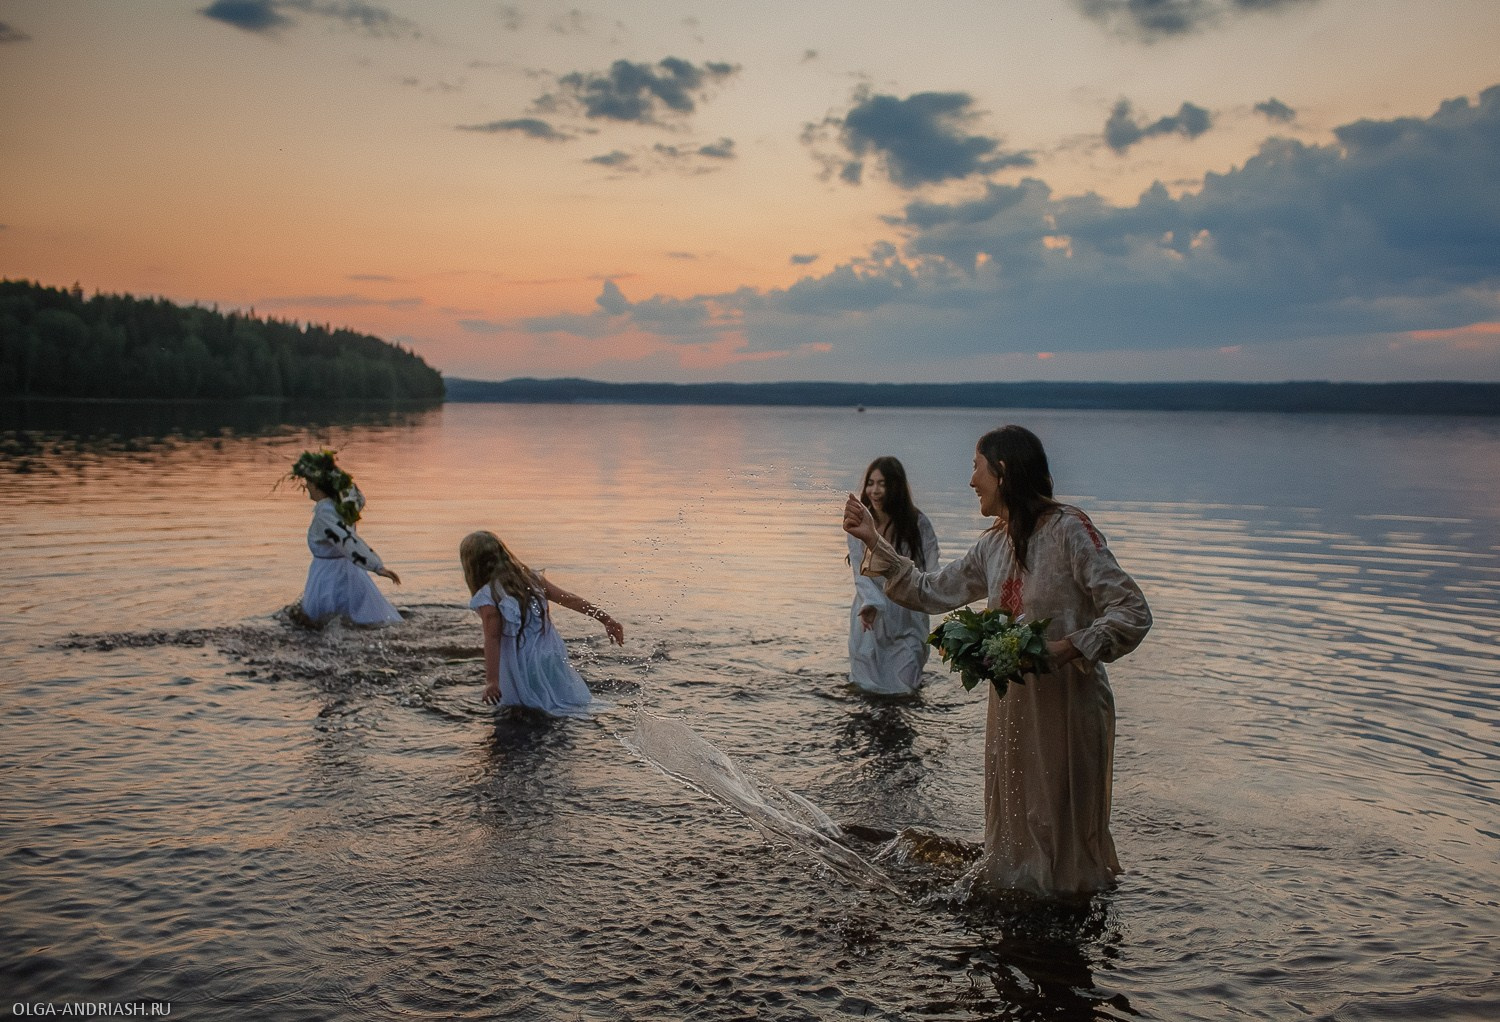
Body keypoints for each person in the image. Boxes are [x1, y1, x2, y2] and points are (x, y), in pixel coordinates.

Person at [842, 425, 1151, 897]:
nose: (971, 481)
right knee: (1014, 818)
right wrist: (873, 541)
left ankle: (1070, 912)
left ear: (1002, 472)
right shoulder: (993, 544)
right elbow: (929, 590)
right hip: (1012, 708)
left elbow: (1131, 611)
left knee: (1061, 822)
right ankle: (1019, 908)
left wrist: (1066, 648)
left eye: (976, 468)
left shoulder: (1070, 529)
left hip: (1069, 706)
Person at [459, 530, 625, 717]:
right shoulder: (532, 579)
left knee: (527, 709)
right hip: (551, 655)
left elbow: (493, 638)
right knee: (559, 700)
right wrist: (605, 619)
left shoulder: (488, 596)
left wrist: (492, 681)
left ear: (472, 565)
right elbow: (569, 599)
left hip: (521, 662)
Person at [846, 456, 939, 695]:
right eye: (870, 483)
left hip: (908, 613)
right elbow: (860, 571)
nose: (874, 490)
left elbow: (932, 570)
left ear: (896, 487)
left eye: (882, 484)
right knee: (866, 686)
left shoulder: (917, 524)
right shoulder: (859, 523)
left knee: (906, 687)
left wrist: (931, 599)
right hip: (870, 614)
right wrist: (871, 603)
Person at [288, 450, 402, 627]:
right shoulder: (340, 506)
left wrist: (376, 566)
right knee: (353, 620)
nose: (306, 486)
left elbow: (347, 539)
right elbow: (357, 501)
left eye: (309, 482)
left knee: (320, 624)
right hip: (349, 572)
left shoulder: (325, 513)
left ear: (318, 486)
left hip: (330, 577)